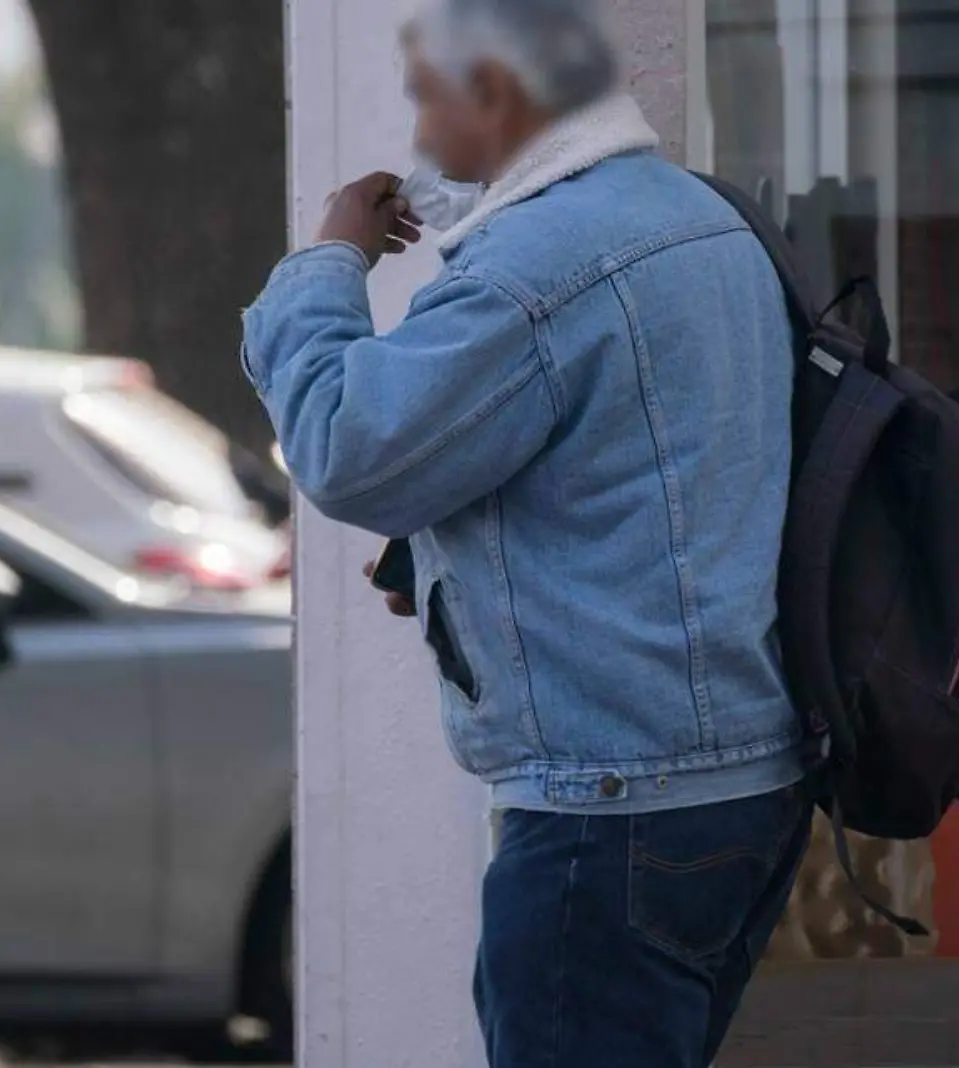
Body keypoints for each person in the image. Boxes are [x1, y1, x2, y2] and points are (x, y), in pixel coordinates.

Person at [239, 0, 811, 1064]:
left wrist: (327, 261)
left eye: (424, 99)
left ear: (494, 91)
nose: (416, 138)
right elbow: (646, 468)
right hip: (740, 788)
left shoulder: (538, 271)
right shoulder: (705, 220)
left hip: (610, 810)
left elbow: (344, 448)